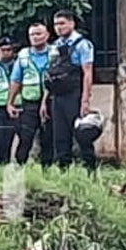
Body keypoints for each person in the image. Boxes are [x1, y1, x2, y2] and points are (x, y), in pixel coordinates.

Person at [46, 10, 96, 169]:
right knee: (60, 136)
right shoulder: (55, 46)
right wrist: (45, 100)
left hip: (75, 94)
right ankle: (63, 171)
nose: (58, 27)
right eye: (56, 24)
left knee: (82, 134)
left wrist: (85, 99)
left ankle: (90, 170)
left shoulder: (82, 44)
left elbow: (88, 73)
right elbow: (51, 73)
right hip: (58, 96)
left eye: (62, 23)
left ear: (72, 23)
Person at [8, 22, 52, 165]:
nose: (35, 37)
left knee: (48, 138)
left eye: (38, 34)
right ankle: (18, 167)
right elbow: (16, 80)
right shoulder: (23, 55)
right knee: (25, 137)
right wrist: (10, 102)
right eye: (32, 34)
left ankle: (47, 170)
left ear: (47, 35)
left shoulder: (55, 53)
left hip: (51, 101)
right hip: (29, 103)